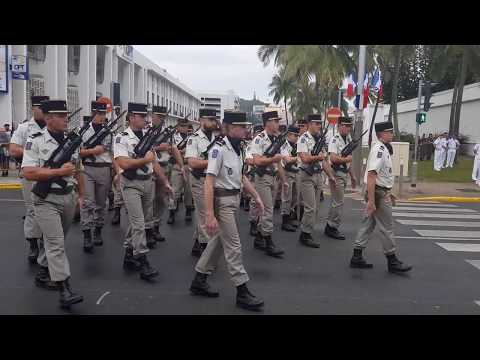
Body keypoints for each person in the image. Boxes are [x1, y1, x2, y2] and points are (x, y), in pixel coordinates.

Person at [189, 111, 266, 311]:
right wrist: (209, 214)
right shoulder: (218, 149)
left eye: (245, 126)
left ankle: (199, 279)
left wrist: (256, 196)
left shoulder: (238, 148)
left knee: (218, 243)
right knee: (234, 246)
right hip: (222, 202)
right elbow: (208, 182)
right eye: (241, 127)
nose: (245, 130)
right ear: (230, 128)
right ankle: (242, 291)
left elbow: (241, 178)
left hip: (234, 199)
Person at [22, 99, 85, 308]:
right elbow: (28, 172)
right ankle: (64, 289)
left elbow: (78, 170)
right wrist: (58, 172)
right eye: (61, 115)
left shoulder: (72, 141)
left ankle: (43, 269)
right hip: (45, 200)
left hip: (67, 197)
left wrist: (81, 196)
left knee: (56, 241)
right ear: (48, 119)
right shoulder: (35, 140)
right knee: (56, 244)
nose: (66, 118)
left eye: (66, 115)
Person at [114, 102, 173, 281]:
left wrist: (164, 181)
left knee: (138, 222)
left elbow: (153, 162)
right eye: (142, 116)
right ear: (132, 117)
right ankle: (143, 260)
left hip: (148, 182)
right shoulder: (121, 137)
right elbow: (123, 163)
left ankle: (129, 256)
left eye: (146, 116)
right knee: (139, 223)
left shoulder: (147, 135)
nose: (146, 119)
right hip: (131, 183)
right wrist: (143, 160)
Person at [350, 121, 412, 274]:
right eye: (389, 132)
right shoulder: (379, 149)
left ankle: (356, 256)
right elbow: (371, 175)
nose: (392, 134)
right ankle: (392, 260)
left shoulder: (383, 148)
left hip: (380, 191)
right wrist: (372, 201)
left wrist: (389, 192)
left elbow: (381, 176)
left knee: (368, 224)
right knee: (387, 227)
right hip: (377, 193)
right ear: (381, 134)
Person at [9, 96, 51, 272]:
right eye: (38, 107)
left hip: (49, 176)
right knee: (33, 210)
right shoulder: (24, 128)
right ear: (33, 108)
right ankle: (33, 243)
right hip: (30, 175)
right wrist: (34, 151)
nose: (41, 111)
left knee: (47, 211)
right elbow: (13, 149)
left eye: (44, 108)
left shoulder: (52, 128)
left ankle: (44, 245)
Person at [250, 111, 286, 258]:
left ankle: (259, 237)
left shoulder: (276, 139)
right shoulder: (259, 139)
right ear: (268, 123)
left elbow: (279, 162)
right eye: (275, 121)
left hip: (273, 177)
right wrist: (273, 159)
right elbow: (257, 161)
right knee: (268, 210)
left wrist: (284, 181)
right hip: (262, 177)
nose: (278, 123)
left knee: (265, 209)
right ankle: (268, 241)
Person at [297, 114, 336, 248]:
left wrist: (330, 175)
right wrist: (317, 157)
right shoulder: (303, 139)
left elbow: (324, 160)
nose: (319, 126)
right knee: (310, 207)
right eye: (316, 123)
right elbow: (304, 158)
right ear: (309, 124)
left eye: (320, 124)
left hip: (318, 175)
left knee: (316, 208)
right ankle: (305, 234)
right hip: (307, 175)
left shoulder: (319, 139)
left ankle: (308, 230)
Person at [79, 101, 113, 253]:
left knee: (101, 203)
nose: (101, 117)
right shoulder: (83, 130)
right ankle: (87, 233)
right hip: (87, 168)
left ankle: (98, 230)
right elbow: (78, 151)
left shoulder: (109, 131)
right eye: (99, 114)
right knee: (88, 202)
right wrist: (92, 151)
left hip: (103, 169)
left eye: (103, 114)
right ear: (93, 113)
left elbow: (108, 150)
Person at [185, 108, 219, 257]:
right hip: (199, 179)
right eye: (210, 120)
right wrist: (213, 161)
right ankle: (206, 250)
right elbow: (192, 162)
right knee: (205, 214)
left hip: (212, 180)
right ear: (202, 120)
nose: (213, 122)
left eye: (214, 120)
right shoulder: (194, 138)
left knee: (204, 213)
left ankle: (197, 243)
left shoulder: (216, 138)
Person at [151, 105, 183, 243]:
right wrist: (159, 147)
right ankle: (147, 229)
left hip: (164, 167)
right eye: (159, 117)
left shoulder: (168, 132)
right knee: (149, 199)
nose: (161, 119)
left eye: (163, 117)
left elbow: (175, 149)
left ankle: (156, 226)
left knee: (160, 198)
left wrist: (181, 165)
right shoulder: (146, 130)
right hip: (150, 168)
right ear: (153, 116)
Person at [325, 116, 357, 240]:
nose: (348, 128)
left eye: (349, 126)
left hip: (343, 173)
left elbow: (348, 163)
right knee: (338, 202)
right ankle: (331, 227)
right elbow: (333, 158)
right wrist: (346, 159)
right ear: (339, 126)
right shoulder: (335, 139)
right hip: (336, 173)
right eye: (346, 126)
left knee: (337, 202)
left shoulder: (348, 139)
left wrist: (353, 176)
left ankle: (330, 226)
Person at [166, 118, 193, 225]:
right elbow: (170, 150)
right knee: (175, 191)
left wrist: (179, 151)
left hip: (188, 166)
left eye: (186, 126)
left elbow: (192, 152)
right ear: (177, 127)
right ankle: (171, 212)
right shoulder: (173, 137)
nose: (184, 128)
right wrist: (179, 152)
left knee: (188, 190)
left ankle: (188, 211)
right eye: (182, 126)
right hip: (176, 166)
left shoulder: (192, 138)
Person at [279, 125, 300, 232]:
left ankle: (291, 216)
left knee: (295, 197)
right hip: (287, 172)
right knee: (287, 196)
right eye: (295, 135)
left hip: (296, 172)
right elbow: (287, 159)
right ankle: (285, 220)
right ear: (289, 135)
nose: (297, 137)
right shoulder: (284, 145)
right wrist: (297, 158)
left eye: (298, 135)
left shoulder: (296, 145)